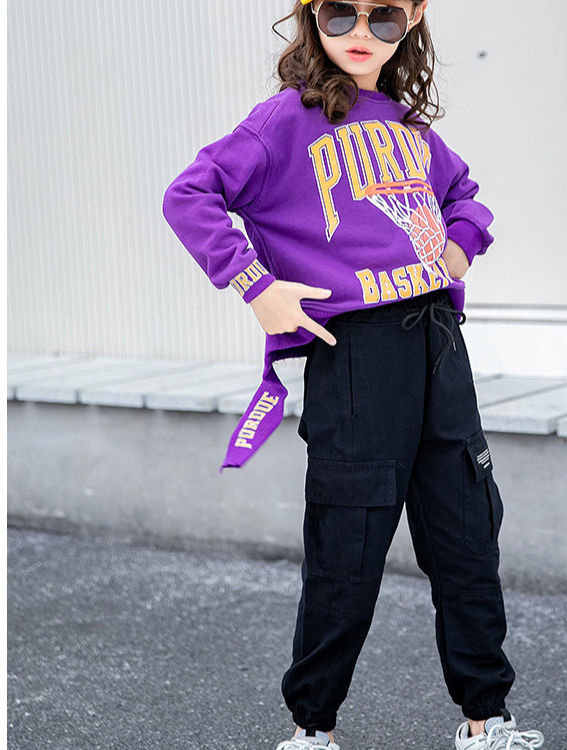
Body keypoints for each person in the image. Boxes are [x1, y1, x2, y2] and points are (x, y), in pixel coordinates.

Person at [162, 1, 545, 748]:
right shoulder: (285, 120)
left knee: (467, 537)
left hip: (439, 346)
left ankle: (487, 720)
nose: (361, 34)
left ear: (414, 19)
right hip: (359, 355)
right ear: (312, 17)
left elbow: (465, 197)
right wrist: (255, 286)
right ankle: (312, 729)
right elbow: (190, 194)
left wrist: (457, 250)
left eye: (384, 18)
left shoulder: (407, 125)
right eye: (341, 15)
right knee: (349, 545)